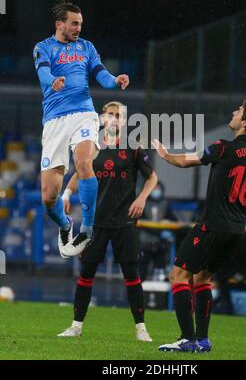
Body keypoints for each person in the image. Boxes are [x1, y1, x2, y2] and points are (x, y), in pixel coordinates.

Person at [152, 98, 246, 353]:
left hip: (212, 225)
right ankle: (203, 340)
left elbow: (186, 162)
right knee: (204, 277)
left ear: (244, 122)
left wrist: (165, 155)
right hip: (236, 228)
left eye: (238, 111)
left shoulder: (223, 147)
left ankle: (186, 338)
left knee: (178, 275)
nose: (233, 112)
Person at [33, 0, 129, 257]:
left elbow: (101, 74)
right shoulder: (44, 47)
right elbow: (43, 73)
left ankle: (87, 228)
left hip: (84, 113)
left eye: (80, 24)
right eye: (74, 23)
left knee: (84, 161)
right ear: (59, 24)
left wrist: (114, 80)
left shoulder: (86, 47)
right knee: (48, 198)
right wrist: (52, 80)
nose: (78, 28)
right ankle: (65, 226)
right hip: (54, 120)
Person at [58, 101, 158, 341]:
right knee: (86, 274)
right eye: (109, 115)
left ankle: (141, 329)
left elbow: (151, 177)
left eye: (118, 115)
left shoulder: (133, 147)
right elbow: (78, 172)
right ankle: (76, 326)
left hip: (125, 222)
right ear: (103, 118)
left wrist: (142, 198)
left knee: (131, 276)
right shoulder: (91, 146)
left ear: (124, 121)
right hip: (95, 222)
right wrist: (66, 193)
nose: (113, 119)